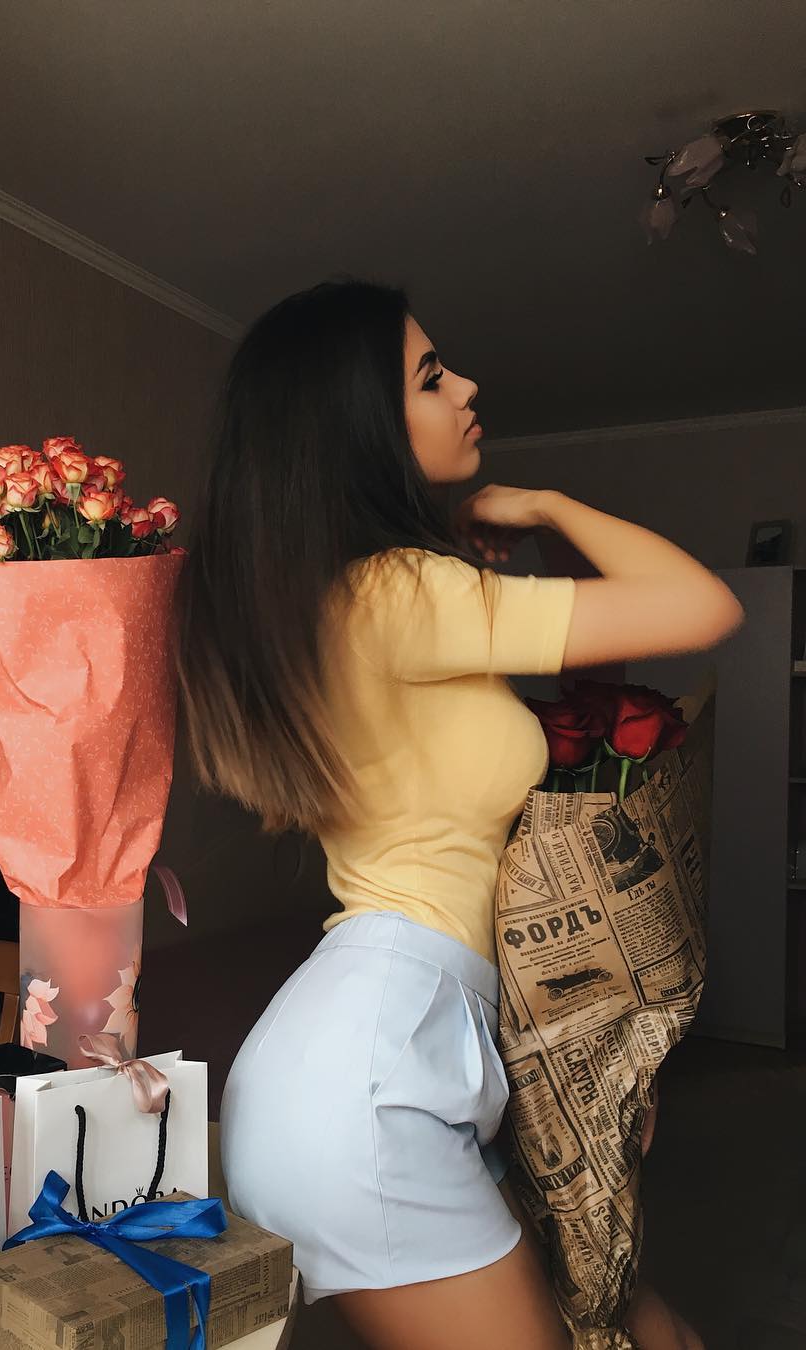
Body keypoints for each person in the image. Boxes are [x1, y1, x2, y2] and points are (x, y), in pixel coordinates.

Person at [175, 277, 741, 1349]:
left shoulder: (351, 602)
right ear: (359, 425)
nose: (468, 386)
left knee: (632, 1317)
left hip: (406, 1042)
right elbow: (703, 606)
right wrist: (547, 504)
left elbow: (602, 662)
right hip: (375, 1073)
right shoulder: (394, 592)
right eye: (431, 377)